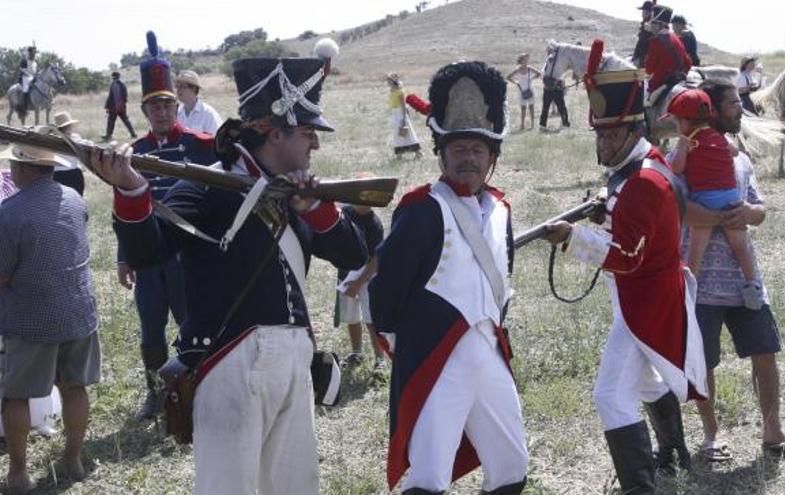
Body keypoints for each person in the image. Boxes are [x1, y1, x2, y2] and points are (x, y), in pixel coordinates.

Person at [92, 36, 366, 495]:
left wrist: (313, 207)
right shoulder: (210, 187)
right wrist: (131, 188)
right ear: (275, 134)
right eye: (306, 132)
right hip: (229, 361)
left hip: (296, 360)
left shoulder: (295, 194)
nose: (315, 141)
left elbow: (354, 255)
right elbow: (148, 251)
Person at [542, 39, 707, 494]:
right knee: (651, 379)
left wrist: (573, 238)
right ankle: (674, 455)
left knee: (611, 397)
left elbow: (629, 258)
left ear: (636, 130)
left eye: (611, 135)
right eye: (599, 134)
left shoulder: (642, 183)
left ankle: (641, 487)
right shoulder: (643, 166)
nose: (603, 142)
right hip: (647, 294)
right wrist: (603, 209)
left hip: (645, 299)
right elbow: (629, 217)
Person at [370, 61, 529, 495]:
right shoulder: (421, 208)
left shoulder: (502, 209)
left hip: (488, 349)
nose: (468, 158)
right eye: (458, 149)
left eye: (478, 150)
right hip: (436, 356)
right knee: (429, 476)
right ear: (441, 153)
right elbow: (384, 292)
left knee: (511, 463)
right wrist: (405, 345)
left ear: (492, 157)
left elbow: (502, 278)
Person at [681, 80, 785, 463]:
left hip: (746, 282)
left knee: (765, 351)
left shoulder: (740, 159)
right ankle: (711, 435)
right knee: (704, 361)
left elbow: (759, 210)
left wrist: (746, 213)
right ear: (709, 109)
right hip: (702, 285)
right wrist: (720, 217)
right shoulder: (685, 157)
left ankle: (773, 432)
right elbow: (676, 209)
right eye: (731, 104)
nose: (740, 109)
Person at [121, 33, 218, 422]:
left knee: (191, 324)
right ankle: (156, 392)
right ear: (145, 112)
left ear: (177, 106)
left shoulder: (201, 145)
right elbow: (125, 205)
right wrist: (124, 255)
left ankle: (197, 387)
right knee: (151, 330)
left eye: (166, 104)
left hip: (187, 252)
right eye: (153, 106)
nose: (161, 112)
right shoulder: (135, 151)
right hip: (148, 255)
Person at [0, 143, 101, 493]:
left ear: (24, 168)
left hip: (32, 317)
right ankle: (73, 458)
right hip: (78, 309)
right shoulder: (74, 197)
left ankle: (17, 474)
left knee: (15, 396)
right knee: (75, 387)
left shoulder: (9, 213)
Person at [666, 89, 763, 310]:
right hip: (731, 198)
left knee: (696, 249)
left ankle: (690, 289)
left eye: (677, 122)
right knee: (741, 245)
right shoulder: (719, 136)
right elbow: (735, 151)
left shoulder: (687, 140)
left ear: (685, 122)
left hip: (704, 201)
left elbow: (677, 167)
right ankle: (753, 285)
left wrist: (684, 146)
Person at [335, 191, 387, 372]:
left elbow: (375, 260)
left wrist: (358, 284)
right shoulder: (345, 214)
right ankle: (357, 352)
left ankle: (380, 359)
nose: (362, 203)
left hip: (367, 278)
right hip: (346, 276)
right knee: (351, 317)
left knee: (371, 318)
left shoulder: (374, 225)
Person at [644, 4, 692, 106]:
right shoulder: (675, 38)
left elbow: (648, 69)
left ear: (659, 25)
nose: (651, 26)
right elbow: (688, 63)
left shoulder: (655, 41)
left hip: (660, 83)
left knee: (644, 104)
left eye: (653, 23)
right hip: (678, 80)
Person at [175, 70, 223, 134]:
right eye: (177, 86)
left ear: (194, 89)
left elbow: (217, 139)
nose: (178, 90)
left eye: (182, 86)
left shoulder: (208, 114)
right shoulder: (176, 113)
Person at [50, 111, 87, 196]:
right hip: (73, 174)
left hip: (56, 175)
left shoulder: (51, 140)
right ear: (69, 126)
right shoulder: (75, 138)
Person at [386, 73, 422, 158]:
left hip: (400, 113)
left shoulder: (400, 91)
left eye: (389, 81)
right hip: (395, 113)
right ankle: (399, 153)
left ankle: (417, 152)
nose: (387, 83)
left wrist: (404, 118)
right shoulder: (392, 91)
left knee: (407, 132)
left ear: (393, 81)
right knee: (397, 133)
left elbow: (403, 105)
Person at [506, 53, 542, 130]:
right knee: (523, 108)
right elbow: (508, 77)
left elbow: (539, 74)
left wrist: (532, 78)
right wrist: (516, 82)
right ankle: (522, 124)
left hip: (530, 89)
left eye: (526, 60)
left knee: (531, 107)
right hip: (521, 90)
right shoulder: (517, 70)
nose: (526, 61)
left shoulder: (529, 68)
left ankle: (532, 124)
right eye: (524, 60)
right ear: (521, 61)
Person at [539, 45, 570, 129]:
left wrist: (559, 83)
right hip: (548, 88)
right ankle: (542, 125)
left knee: (561, 107)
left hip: (557, 88)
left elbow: (562, 75)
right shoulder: (547, 62)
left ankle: (565, 123)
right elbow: (543, 74)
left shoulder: (559, 63)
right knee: (545, 107)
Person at [103, 71, 137, 141]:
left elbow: (112, 97)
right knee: (124, 121)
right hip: (118, 107)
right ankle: (133, 134)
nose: (113, 78)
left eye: (113, 76)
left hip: (115, 107)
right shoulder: (121, 85)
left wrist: (108, 106)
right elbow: (123, 97)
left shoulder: (115, 85)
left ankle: (108, 136)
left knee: (112, 121)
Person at [632, 1, 655, 68]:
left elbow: (644, 43)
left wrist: (640, 58)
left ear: (651, 13)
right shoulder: (644, 25)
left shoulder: (650, 26)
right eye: (643, 11)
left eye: (646, 12)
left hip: (644, 59)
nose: (643, 14)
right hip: (641, 57)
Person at [17, 46, 37, 111]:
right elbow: (21, 69)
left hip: (32, 77)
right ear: (29, 52)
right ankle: (24, 104)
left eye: (35, 52)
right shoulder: (24, 60)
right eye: (33, 52)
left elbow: (34, 71)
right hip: (25, 78)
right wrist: (28, 74)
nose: (34, 54)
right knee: (26, 89)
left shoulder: (34, 62)